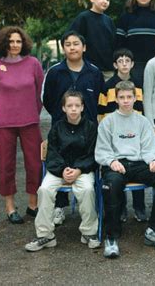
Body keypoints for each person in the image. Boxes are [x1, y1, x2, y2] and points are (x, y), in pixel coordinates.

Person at [95, 80, 155, 258]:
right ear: (116, 99)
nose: (126, 101)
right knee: (112, 184)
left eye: (129, 97)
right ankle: (112, 237)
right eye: (122, 97)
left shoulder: (142, 122)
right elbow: (101, 150)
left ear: (135, 98)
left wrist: (153, 160)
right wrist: (111, 161)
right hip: (115, 164)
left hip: (138, 163)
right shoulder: (108, 122)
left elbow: (150, 147)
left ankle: (154, 230)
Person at [24, 90, 100, 252]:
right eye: (69, 105)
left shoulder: (91, 128)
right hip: (59, 170)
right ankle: (45, 235)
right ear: (64, 108)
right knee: (44, 190)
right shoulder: (57, 128)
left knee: (87, 189)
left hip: (82, 169)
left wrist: (79, 170)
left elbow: (92, 154)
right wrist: (62, 170)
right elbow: (52, 153)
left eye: (77, 105)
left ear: (82, 107)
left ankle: (89, 232)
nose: (73, 109)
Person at [42, 30, 104, 225]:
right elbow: (48, 100)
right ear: (64, 48)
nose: (72, 47)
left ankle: (90, 209)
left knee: (86, 164)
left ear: (83, 47)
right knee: (61, 162)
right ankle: (59, 207)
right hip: (61, 128)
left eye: (76, 43)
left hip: (88, 130)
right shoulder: (54, 72)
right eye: (68, 44)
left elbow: (101, 99)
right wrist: (62, 117)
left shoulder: (94, 72)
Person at [0, 26, 44, 224]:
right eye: (11, 41)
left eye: (18, 41)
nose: (14, 45)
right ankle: (10, 206)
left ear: (24, 43)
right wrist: (6, 113)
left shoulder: (34, 64)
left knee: (35, 164)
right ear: (4, 43)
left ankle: (33, 204)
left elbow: (39, 94)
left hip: (30, 121)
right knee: (6, 165)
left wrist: (30, 112)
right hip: (4, 123)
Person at [97, 48, 146, 223]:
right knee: (120, 169)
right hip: (115, 135)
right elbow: (102, 111)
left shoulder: (139, 83)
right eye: (120, 61)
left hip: (136, 133)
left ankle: (140, 207)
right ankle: (122, 207)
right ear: (115, 64)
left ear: (132, 64)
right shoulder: (108, 85)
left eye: (127, 61)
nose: (124, 64)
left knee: (138, 163)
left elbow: (143, 108)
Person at [68, 0, 116, 80]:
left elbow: (114, 44)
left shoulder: (109, 21)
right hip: (87, 70)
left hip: (108, 70)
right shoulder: (83, 18)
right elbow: (72, 40)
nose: (105, 1)